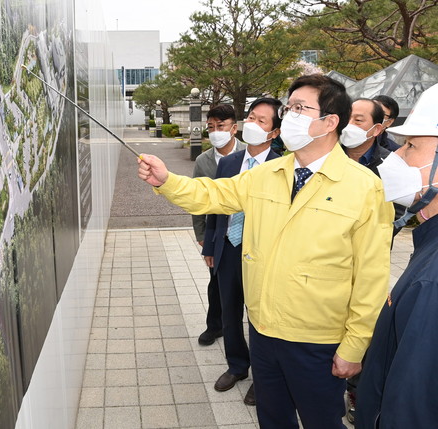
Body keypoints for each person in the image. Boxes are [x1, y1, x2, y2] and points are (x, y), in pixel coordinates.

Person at [137, 74, 394, 429]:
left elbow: (371, 276)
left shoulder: (365, 188)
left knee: (321, 420)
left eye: (300, 108)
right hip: (263, 329)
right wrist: (166, 180)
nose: (290, 115)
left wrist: (354, 346)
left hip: (317, 339)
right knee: (272, 418)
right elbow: (212, 194)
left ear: (330, 121)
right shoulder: (267, 173)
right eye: (289, 108)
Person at [357, 83, 438, 429]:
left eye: (412, 146)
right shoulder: (428, 246)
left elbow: (411, 408)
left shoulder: (431, 280)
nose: (397, 156)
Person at [202, 98, 281, 405]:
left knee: (260, 317)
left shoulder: (281, 167)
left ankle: (263, 377)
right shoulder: (229, 162)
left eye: (262, 121)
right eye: (251, 116)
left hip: (262, 253)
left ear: (274, 132)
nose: (252, 124)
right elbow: (216, 206)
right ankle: (237, 366)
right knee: (230, 312)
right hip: (228, 247)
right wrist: (210, 244)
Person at [339, 97, 404, 424]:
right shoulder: (325, 156)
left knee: (361, 330)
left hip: (367, 262)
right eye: (347, 117)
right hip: (329, 264)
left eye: (359, 120)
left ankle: (355, 396)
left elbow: (402, 209)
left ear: (378, 128)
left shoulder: (390, 163)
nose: (349, 126)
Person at [193, 104, 246, 347]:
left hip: (249, 232)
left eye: (221, 126)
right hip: (218, 232)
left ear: (234, 128)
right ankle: (214, 326)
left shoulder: (250, 155)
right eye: (211, 127)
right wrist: (203, 236)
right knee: (216, 284)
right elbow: (198, 200)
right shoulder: (203, 161)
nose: (215, 132)